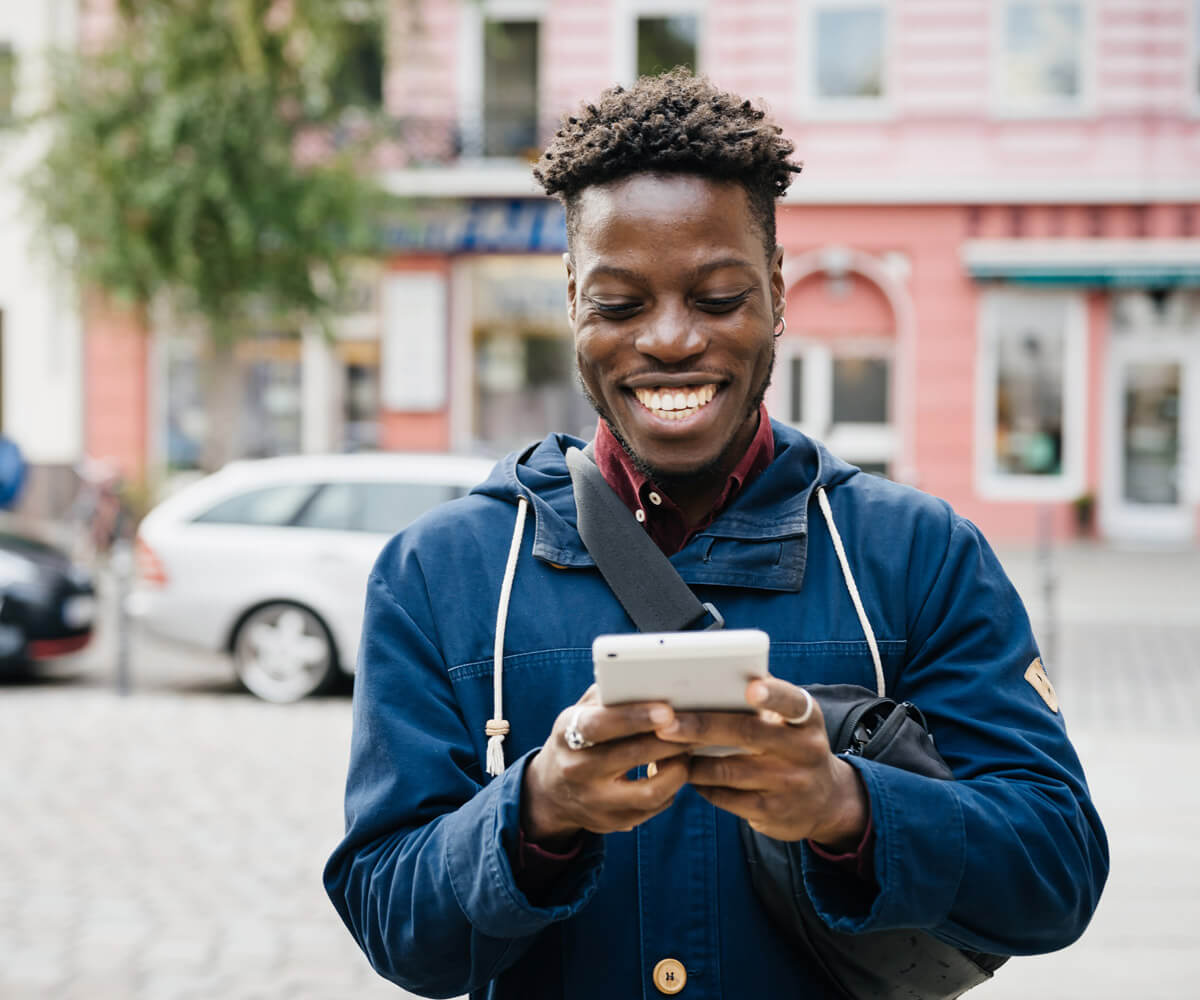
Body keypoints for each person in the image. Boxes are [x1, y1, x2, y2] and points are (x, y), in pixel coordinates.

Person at [324, 70, 1107, 1000]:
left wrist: (846, 807)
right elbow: (390, 921)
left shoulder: (921, 557)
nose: (668, 340)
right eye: (620, 303)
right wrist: (537, 811)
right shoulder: (435, 574)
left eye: (717, 296)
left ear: (777, 294)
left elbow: (1055, 875)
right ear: (572, 300)